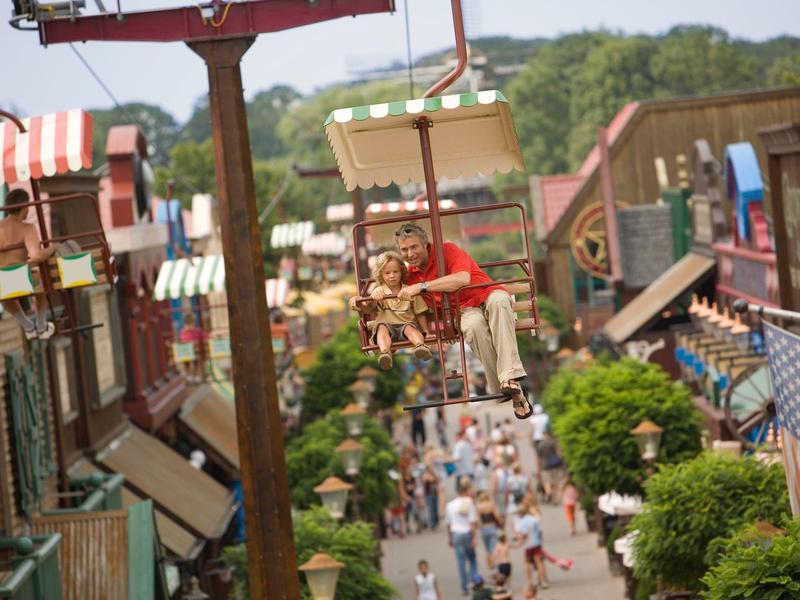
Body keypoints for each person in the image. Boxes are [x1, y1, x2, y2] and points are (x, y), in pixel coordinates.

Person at [393, 223, 533, 419]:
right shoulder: (409, 276)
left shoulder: (447, 251)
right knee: (472, 327)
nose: (410, 253)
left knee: (500, 302)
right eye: (404, 250)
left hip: (487, 293)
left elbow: (462, 279)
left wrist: (422, 287)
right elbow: (385, 285)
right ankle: (511, 386)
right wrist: (361, 300)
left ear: (425, 244)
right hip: (464, 310)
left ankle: (506, 381)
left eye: (414, 247)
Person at [350, 250, 432, 370]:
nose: (392, 276)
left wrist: (426, 332)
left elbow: (420, 313)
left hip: (406, 323)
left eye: (395, 272)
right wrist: (372, 299)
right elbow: (369, 309)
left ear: (402, 272)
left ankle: (420, 346)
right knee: (382, 328)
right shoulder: (379, 291)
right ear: (381, 275)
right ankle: (385, 353)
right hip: (387, 326)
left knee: (410, 329)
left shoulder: (410, 291)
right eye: (387, 273)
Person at [0, 188, 56, 340]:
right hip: (22, 279)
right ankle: (41, 326)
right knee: (41, 284)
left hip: (2, 282)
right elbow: (36, 256)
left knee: (5, 295)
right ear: (25, 206)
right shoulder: (27, 228)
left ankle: (28, 327)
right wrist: (53, 247)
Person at [446, 477, 480, 597]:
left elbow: (449, 524)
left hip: (456, 534)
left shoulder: (450, 505)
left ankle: (464, 586)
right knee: (472, 559)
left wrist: (450, 538)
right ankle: (474, 581)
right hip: (467, 533)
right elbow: (472, 522)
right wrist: (474, 537)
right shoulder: (469, 502)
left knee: (461, 561)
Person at [512, 502, 548, 590]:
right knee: (539, 562)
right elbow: (539, 531)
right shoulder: (533, 519)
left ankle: (530, 581)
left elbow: (524, 535)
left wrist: (518, 543)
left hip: (527, 545)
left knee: (527, 563)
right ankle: (542, 581)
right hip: (536, 543)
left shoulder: (520, 523)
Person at [178, 313, 208, 383]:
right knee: (188, 362)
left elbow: (205, 336)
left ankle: (194, 375)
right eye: (188, 324)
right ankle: (191, 375)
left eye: (191, 324)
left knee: (196, 361)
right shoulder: (185, 332)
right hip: (188, 352)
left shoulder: (195, 331)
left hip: (194, 351)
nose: (190, 326)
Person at [476, 491, 503, 566]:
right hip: (492, 527)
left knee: (487, 549)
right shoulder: (491, 505)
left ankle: (489, 564)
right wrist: (501, 523)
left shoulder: (479, 507)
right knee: (493, 548)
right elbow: (497, 516)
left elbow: (478, 520)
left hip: (484, 529)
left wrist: (480, 527)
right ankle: (494, 564)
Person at [538, 431, 564, 504]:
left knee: (547, 482)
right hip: (555, 465)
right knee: (556, 482)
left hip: (545, 466)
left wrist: (539, 468)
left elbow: (539, 457)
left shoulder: (540, 445)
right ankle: (555, 498)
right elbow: (559, 453)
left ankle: (549, 492)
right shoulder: (553, 442)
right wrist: (562, 462)